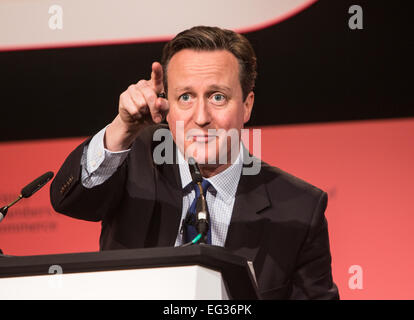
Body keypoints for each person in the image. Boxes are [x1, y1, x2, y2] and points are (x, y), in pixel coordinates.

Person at [50, 26, 339, 299]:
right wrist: (121, 128)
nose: (200, 117)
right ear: (168, 103)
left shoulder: (299, 208)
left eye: (217, 97)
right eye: (185, 97)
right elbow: (71, 201)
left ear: (247, 105)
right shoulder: (132, 158)